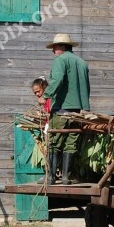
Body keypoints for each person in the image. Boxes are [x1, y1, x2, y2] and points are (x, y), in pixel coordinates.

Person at [39, 33, 90, 185]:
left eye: (54, 47)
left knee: (54, 141)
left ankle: (51, 177)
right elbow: (86, 87)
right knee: (71, 143)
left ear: (62, 46)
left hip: (61, 109)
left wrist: (46, 96)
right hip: (77, 112)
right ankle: (66, 177)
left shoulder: (60, 60)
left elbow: (57, 80)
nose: (53, 50)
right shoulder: (82, 63)